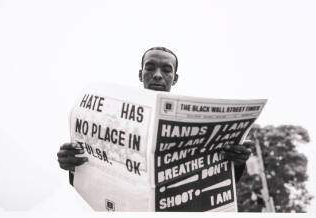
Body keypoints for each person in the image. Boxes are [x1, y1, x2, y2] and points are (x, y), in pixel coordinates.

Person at [57, 46, 252, 186]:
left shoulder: (196, 125)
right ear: (141, 74)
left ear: (174, 78)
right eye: (150, 68)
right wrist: (73, 164)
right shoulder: (111, 119)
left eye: (166, 70)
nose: (158, 75)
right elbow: (90, 181)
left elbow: (216, 182)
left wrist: (236, 161)